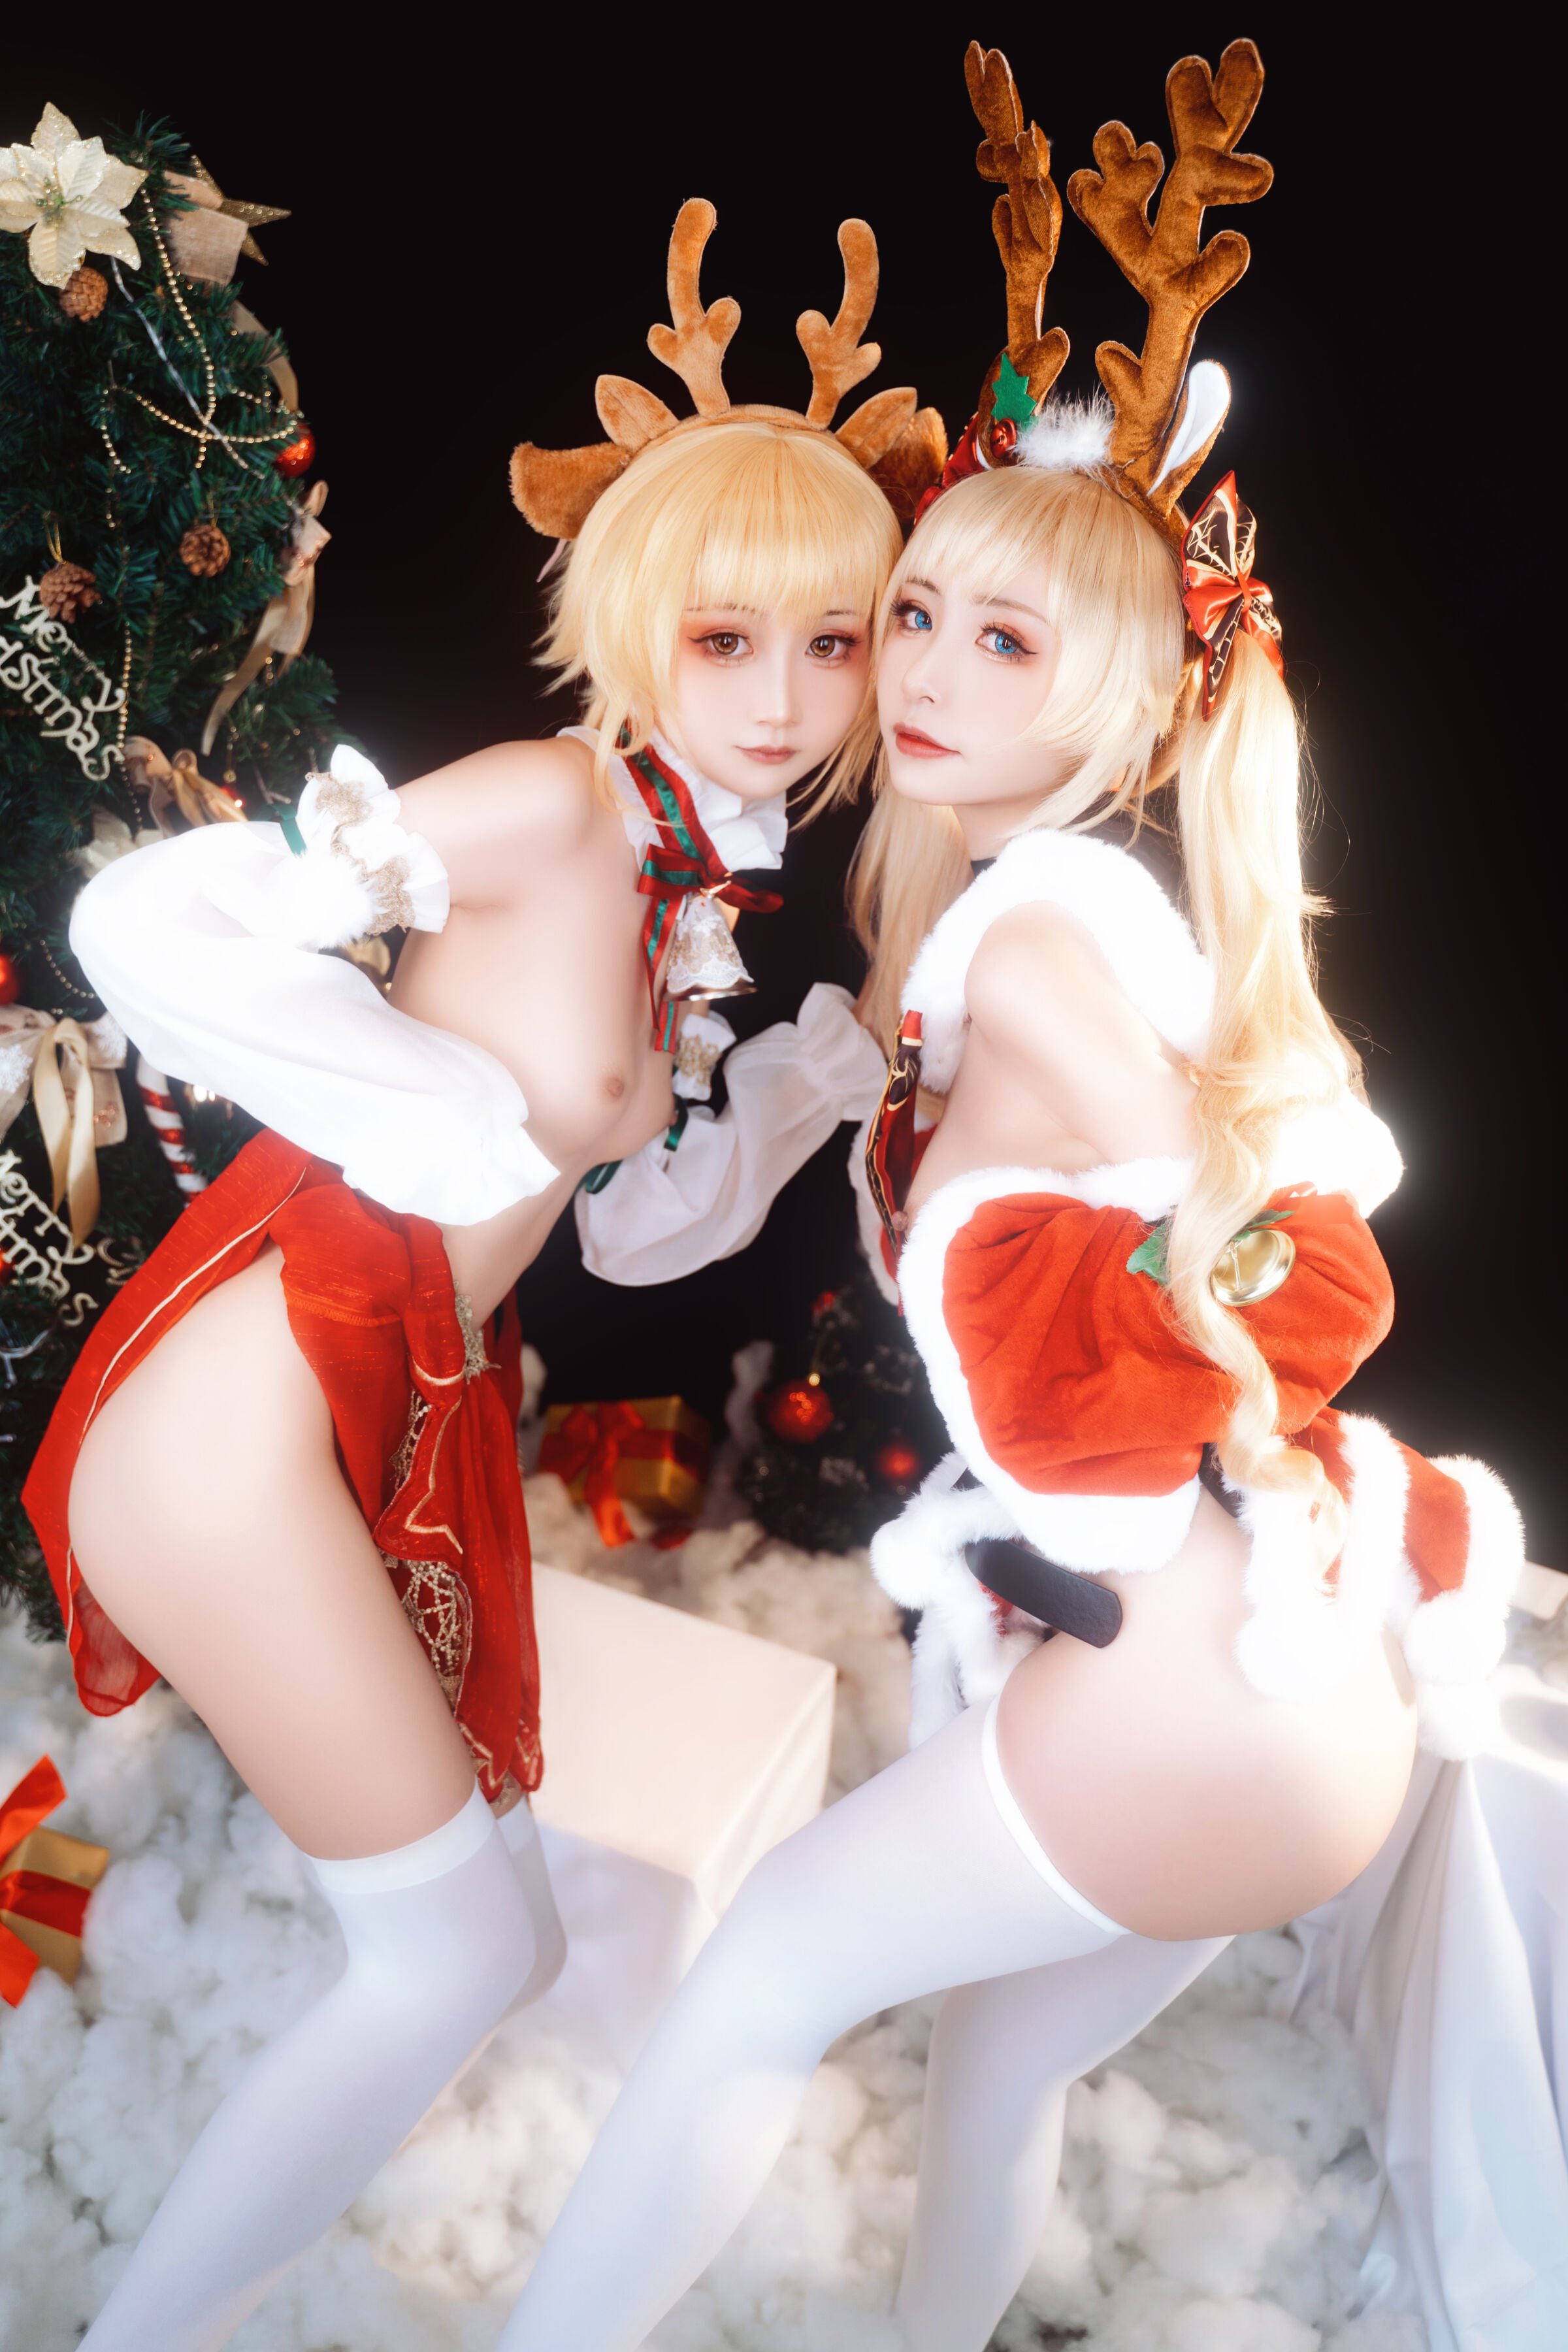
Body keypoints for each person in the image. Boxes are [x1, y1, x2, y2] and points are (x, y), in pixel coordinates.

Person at [494, 46, 1522, 2351]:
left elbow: (1274, 1254)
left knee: (757, 1984)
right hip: (1273, 1696)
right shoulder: (1024, 936)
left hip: (1196, 1699)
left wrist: (1151, 1398)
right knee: (994, 2068)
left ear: (1132, 710)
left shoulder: (1043, 948)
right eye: (922, 617)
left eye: (1007, 643)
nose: (930, 677)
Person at [22, 195, 923, 2352]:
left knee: (488, 1942)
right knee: (447, 1959)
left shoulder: (688, 892)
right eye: (727, 638)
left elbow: (623, 1224)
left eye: (833, 641)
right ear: (633, 624)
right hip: (238, 1429)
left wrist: (798, 1097)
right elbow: (138, 929)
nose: (784, 697)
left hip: (359, 1417)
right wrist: (415, 1109)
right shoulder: (547, 806)